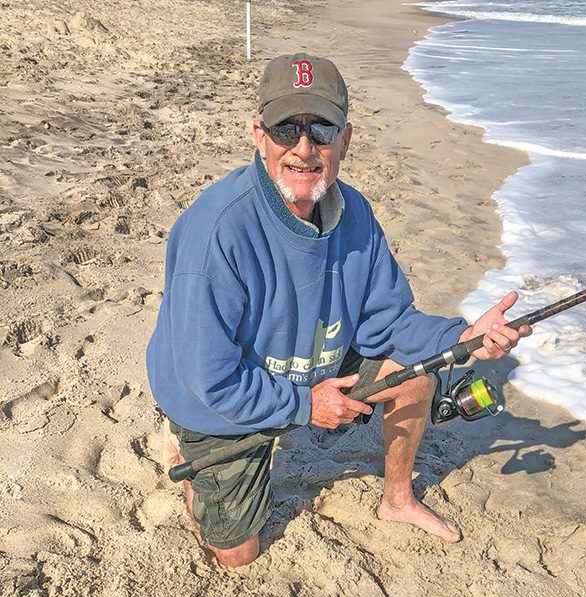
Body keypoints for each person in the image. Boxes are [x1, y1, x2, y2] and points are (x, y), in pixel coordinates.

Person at [146, 53, 530, 568]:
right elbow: (209, 377)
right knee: (238, 555)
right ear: (259, 135)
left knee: (414, 373)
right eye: (287, 129)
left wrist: (465, 337)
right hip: (218, 400)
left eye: (321, 129)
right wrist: (307, 406)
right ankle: (189, 454)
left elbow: (389, 326)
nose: (304, 150)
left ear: (345, 139)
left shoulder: (357, 215)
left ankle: (398, 499)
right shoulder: (217, 233)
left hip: (310, 366)